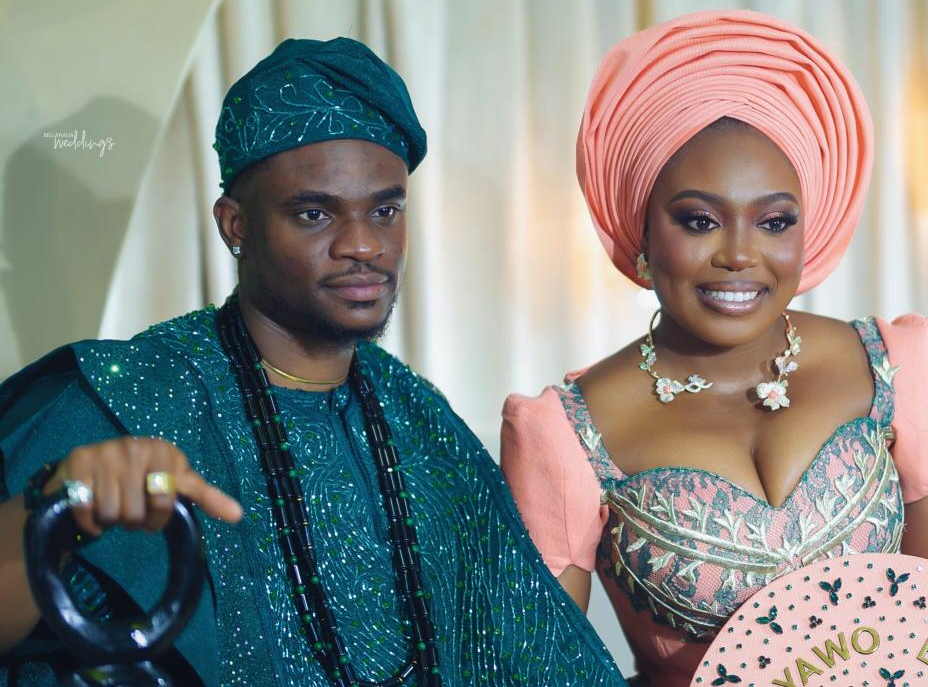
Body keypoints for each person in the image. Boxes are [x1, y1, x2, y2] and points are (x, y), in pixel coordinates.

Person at [0, 38, 624, 686]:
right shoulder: (130, 397)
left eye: (385, 210)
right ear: (235, 225)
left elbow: (543, 654)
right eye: (314, 213)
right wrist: (55, 506)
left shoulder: (421, 421)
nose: (363, 244)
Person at [501, 11, 928, 686]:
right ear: (642, 233)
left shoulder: (895, 364)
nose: (739, 254)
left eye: (774, 221)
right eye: (699, 220)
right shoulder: (564, 431)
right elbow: (537, 671)